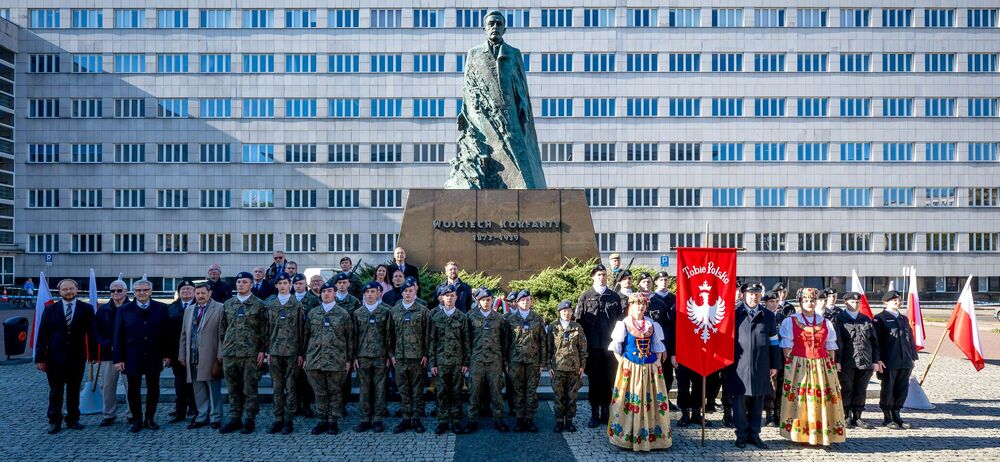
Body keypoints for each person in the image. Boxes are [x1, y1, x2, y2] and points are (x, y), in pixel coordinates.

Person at [778, 287, 846, 446]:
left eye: (812, 300)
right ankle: (801, 434)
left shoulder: (825, 322)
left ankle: (822, 433)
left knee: (821, 399)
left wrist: (831, 366)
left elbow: (830, 346)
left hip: (822, 365)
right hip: (799, 364)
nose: (809, 303)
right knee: (802, 399)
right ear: (800, 302)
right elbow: (787, 346)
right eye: (806, 300)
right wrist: (790, 365)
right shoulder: (791, 321)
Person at [608, 293, 671, 451]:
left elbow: (657, 345)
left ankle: (653, 437)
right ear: (631, 306)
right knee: (630, 401)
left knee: (651, 401)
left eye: (643, 304)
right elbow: (616, 346)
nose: (641, 307)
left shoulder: (651, 324)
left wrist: (657, 360)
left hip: (650, 368)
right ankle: (627, 436)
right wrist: (622, 362)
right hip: (631, 368)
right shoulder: (624, 324)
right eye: (637, 304)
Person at [34, 279, 98, 434]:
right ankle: (54, 420)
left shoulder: (87, 309)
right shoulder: (50, 310)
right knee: (55, 391)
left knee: (74, 390)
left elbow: (92, 334)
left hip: (77, 357)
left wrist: (93, 355)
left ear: (76, 289)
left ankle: (73, 419)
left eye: (71, 288)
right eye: (65, 289)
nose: (68, 292)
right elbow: (42, 336)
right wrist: (39, 358)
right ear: (59, 291)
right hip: (54, 358)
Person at [725, 283, 781, 449]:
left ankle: (754, 434)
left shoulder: (768, 315)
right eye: (750, 294)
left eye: (757, 294)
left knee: (758, 402)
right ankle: (741, 435)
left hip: (761, 365)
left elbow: (774, 342)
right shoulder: (733, 313)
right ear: (743, 295)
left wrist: (775, 364)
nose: (754, 297)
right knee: (740, 403)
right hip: (739, 366)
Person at [114, 279, 171, 433]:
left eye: (145, 290)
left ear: (151, 291)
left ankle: (150, 418)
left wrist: (167, 354)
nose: (142, 293)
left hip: (154, 355)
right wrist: (118, 359)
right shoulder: (124, 310)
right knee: (133, 389)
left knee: (154, 388)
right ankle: (137, 419)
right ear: (134, 292)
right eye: (138, 290)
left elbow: (166, 334)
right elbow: (118, 336)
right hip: (132, 356)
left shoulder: (161, 308)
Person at [218, 272, 268, 434]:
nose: (241, 284)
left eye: (244, 282)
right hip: (230, 352)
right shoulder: (228, 304)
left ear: (251, 284)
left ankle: (249, 419)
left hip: (250, 353)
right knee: (232, 388)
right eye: (238, 282)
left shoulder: (259, 304)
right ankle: (235, 418)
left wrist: (262, 350)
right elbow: (223, 328)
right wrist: (225, 347)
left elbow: (264, 330)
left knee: (249, 388)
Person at [303, 281, 355, 435]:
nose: (326, 294)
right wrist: (305, 357)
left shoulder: (343, 314)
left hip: (336, 359)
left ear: (335, 294)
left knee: (335, 391)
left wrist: (348, 360)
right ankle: (322, 420)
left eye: (329, 291)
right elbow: (306, 336)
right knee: (319, 392)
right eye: (323, 291)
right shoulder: (313, 313)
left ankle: (333, 421)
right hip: (315, 359)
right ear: (320, 294)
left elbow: (349, 338)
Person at [575, 264, 623, 428]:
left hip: (610, 349)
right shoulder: (585, 296)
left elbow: (620, 322)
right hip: (592, 349)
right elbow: (579, 322)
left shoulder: (614, 297)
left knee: (609, 381)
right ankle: (594, 414)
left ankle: (606, 413)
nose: (601, 277)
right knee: (595, 382)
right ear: (593, 277)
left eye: (603, 274)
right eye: (598, 275)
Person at [177, 283, 225, 430]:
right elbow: (184, 334)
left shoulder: (220, 308)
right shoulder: (189, 310)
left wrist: (220, 354)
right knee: (198, 389)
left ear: (210, 293)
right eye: (197, 293)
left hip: (211, 355)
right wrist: (182, 354)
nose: (200, 296)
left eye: (203, 293)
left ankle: (216, 417)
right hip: (193, 355)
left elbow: (222, 334)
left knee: (213, 388)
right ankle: (202, 416)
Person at [264, 273, 305, 434]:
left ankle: (289, 420)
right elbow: (266, 329)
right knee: (277, 387)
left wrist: (301, 353)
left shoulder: (297, 305)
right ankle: (278, 419)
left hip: (292, 351)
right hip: (274, 351)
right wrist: (267, 351)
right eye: (279, 283)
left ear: (290, 285)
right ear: (276, 285)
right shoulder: (270, 305)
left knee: (291, 387)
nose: (282, 286)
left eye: (285, 283)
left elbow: (302, 330)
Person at [834, 291, 881, 430]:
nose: (855, 304)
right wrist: (837, 360)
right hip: (847, 361)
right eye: (852, 302)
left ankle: (858, 416)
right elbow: (837, 342)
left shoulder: (866, 319)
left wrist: (875, 360)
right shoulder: (839, 319)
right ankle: (846, 416)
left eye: (857, 302)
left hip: (865, 361)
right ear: (846, 303)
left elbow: (874, 342)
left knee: (861, 390)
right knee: (847, 389)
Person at [388, 279, 430, 433]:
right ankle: (406, 418)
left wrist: (426, 354)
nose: (407, 293)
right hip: (400, 357)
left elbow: (428, 335)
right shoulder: (394, 311)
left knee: (417, 390)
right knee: (403, 389)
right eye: (405, 291)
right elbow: (389, 335)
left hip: (417, 357)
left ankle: (416, 418)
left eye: (410, 290)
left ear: (415, 292)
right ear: (402, 293)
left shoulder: (423, 310)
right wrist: (391, 355)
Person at [873, 290, 918, 430]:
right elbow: (876, 341)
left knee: (902, 388)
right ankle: (887, 416)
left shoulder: (903, 318)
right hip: (889, 360)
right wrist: (878, 359)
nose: (898, 302)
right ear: (885, 302)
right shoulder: (879, 319)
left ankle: (897, 414)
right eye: (894, 300)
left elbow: (910, 339)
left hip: (905, 360)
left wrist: (913, 357)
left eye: (899, 300)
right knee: (888, 388)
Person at [428, 284, 470, 434]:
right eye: (447, 296)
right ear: (442, 298)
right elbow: (432, 341)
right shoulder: (435, 317)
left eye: (452, 295)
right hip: (440, 362)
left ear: (456, 297)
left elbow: (466, 341)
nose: (450, 298)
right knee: (441, 392)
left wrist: (466, 362)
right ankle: (443, 421)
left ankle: (456, 421)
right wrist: (432, 363)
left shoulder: (462, 317)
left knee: (456, 392)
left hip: (457, 362)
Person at [466, 288, 509, 433]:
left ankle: (499, 420)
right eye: (483, 300)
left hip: (494, 361)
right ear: (478, 301)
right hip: (476, 360)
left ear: (492, 300)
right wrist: (468, 359)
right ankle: (472, 420)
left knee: (496, 392)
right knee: (474, 391)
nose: (485, 302)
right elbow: (467, 339)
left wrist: (503, 361)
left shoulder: (499, 318)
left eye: (488, 300)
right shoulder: (470, 316)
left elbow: (504, 341)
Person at [353, 282, 392, 433]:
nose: (370, 294)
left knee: (380, 389)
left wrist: (389, 355)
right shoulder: (358, 313)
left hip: (380, 356)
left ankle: (378, 419)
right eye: (367, 292)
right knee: (364, 389)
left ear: (379, 293)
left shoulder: (385, 312)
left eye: (373, 291)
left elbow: (389, 335)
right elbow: (354, 336)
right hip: (363, 356)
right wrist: (354, 356)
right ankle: (365, 419)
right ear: (364, 294)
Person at [506, 290, 546, 433]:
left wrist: (542, 363)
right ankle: (519, 419)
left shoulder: (537, 318)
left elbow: (542, 341)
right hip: (515, 361)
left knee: (531, 391)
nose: (525, 302)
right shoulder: (510, 320)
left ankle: (529, 419)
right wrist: (506, 362)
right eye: (522, 300)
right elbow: (506, 342)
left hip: (533, 361)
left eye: (528, 300)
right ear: (517, 302)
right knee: (517, 391)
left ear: (531, 302)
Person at [95, 279, 130, 427]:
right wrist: (108, 344)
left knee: (130, 385)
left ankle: (132, 413)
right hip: (108, 353)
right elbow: (97, 331)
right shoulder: (103, 309)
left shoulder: (133, 308)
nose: (116, 293)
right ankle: (109, 414)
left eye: (119, 290)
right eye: (113, 291)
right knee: (108, 385)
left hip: (128, 353)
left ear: (126, 291)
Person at [548, 300, 587, 433]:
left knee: (572, 397)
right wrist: (549, 366)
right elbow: (548, 347)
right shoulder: (553, 327)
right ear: (559, 312)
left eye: (569, 311)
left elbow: (582, 348)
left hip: (573, 368)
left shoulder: (577, 327)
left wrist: (582, 365)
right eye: (564, 311)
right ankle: (559, 422)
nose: (567, 313)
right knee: (559, 397)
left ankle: (569, 421)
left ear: (572, 312)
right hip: (557, 368)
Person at [165, 280, 197, 423]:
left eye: (189, 289)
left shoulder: (200, 306)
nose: (186, 291)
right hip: (176, 352)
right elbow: (165, 333)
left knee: (195, 382)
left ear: (194, 292)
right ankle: (180, 411)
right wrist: (167, 355)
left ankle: (195, 408)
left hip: (196, 351)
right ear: (179, 292)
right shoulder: (171, 308)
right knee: (179, 383)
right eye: (183, 289)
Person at [649, 272, 677, 411]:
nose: (664, 282)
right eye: (661, 280)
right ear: (655, 282)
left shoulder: (674, 298)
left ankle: (665, 398)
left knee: (667, 374)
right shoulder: (652, 298)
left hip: (668, 339)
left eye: (666, 279)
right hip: (653, 341)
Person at [762, 291, 787, 427]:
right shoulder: (763, 316)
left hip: (782, 355)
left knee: (781, 386)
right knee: (770, 385)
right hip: (768, 355)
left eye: (777, 301)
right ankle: (769, 413)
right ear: (766, 302)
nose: (774, 304)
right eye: (771, 301)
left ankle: (778, 412)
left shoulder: (783, 318)